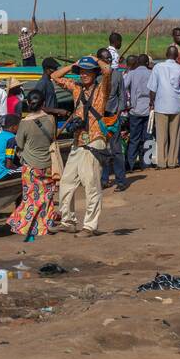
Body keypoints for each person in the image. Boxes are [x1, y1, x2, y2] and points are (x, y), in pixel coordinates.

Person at [51, 55, 113, 236]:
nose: (84, 75)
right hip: (78, 141)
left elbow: (108, 71)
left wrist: (94, 58)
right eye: (82, 72)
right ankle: (68, 221)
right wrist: (73, 65)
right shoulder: (76, 88)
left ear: (95, 73)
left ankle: (89, 226)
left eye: (88, 71)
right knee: (66, 183)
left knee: (91, 184)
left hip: (94, 140)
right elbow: (54, 76)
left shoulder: (102, 90)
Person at [6, 91, 58, 242]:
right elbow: (52, 138)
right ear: (43, 104)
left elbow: (19, 144)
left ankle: (26, 227)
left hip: (30, 166)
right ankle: (45, 226)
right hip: (47, 164)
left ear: (28, 104)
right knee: (46, 198)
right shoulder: (50, 119)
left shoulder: (24, 123)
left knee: (30, 199)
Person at [147, 45, 180, 169]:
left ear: (166, 54)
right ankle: (172, 161)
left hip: (161, 104)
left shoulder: (158, 67)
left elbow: (152, 88)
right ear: (176, 56)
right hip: (176, 104)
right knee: (174, 135)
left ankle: (161, 162)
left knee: (161, 135)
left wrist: (152, 102)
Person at [98, 47, 128, 190]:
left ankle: (121, 181)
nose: (109, 61)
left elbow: (122, 96)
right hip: (99, 118)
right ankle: (103, 180)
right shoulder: (96, 76)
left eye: (110, 58)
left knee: (116, 150)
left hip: (113, 116)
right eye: (106, 59)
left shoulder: (117, 75)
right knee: (101, 150)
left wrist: (118, 112)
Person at [123, 53, 153, 172]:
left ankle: (129, 165)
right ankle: (146, 164)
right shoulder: (151, 73)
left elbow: (123, 87)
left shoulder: (131, 73)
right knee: (148, 137)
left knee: (134, 138)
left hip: (135, 110)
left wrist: (127, 103)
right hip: (149, 111)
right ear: (147, 63)